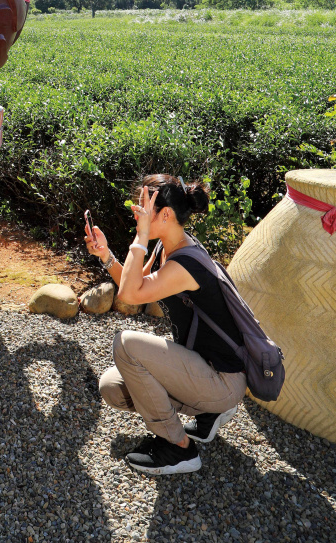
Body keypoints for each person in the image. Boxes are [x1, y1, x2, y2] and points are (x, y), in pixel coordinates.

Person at [86, 174, 247, 476]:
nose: (137, 214)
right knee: (112, 386)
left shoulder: (186, 263)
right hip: (203, 368)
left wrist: (140, 236)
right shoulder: (166, 249)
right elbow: (133, 288)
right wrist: (106, 256)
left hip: (222, 380)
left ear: (166, 214)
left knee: (126, 344)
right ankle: (209, 413)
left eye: (143, 209)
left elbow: (130, 294)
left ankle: (180, 448)